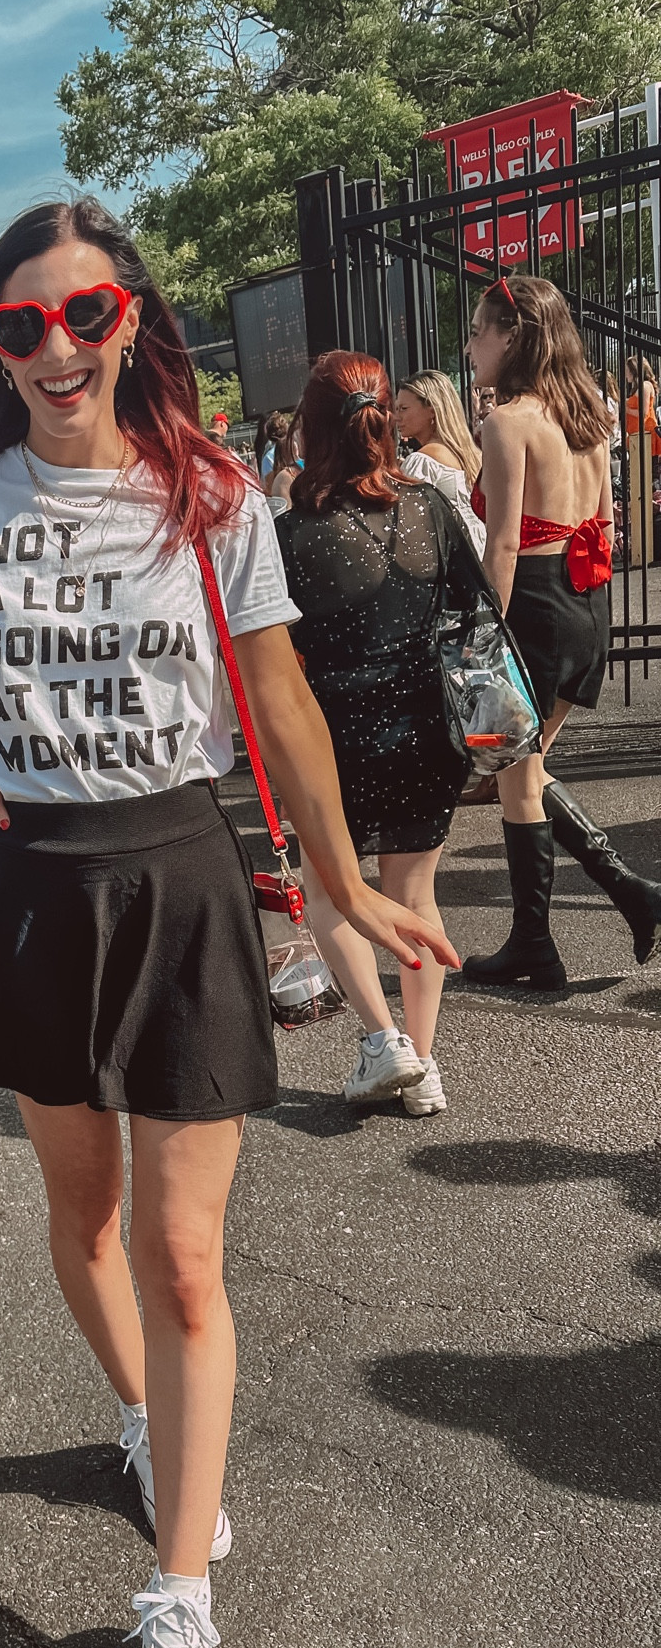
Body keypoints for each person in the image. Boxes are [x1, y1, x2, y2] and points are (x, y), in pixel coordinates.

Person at [0, 195, 455, 1648]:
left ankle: (177, 1610)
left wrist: (351, 880)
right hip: (37, 889)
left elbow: (277, 692)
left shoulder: (209, 495)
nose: (59, 346)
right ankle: (147, 1427)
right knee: (82, 1225)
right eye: (23, 325)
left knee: (183, 1251)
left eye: (86, 314)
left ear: (132, 321)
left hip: (181, 871)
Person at [277, 353, 479, 1116]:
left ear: (312, 424)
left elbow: (272, 653)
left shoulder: (295, 532)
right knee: (414, 894)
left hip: (333, 739)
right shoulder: (428, 505)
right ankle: (423, 1063)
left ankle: (381, 1039)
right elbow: (474, 606)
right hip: (429, 728)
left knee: (334, 889)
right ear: (384, 416)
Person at [463, 274, 661, 982]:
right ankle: (626, 895)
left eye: (479, 331)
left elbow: (505, 544)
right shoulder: (588, 416)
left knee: (516, 780)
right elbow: (606, 525)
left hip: (537, 605)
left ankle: (538, 944)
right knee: (527, 769)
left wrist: (486, 642)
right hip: (585, 601)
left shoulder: (507, 420)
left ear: (511, 337)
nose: (471, 344)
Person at [395, 369, 485, 554]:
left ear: (432, 410)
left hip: (453, 565)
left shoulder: (421, 463)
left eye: (403, 409)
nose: (397, 417)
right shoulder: (472, 455)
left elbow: (407, 531)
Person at [622, 356, 657, 571]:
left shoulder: (644, 386)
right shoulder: (638, 386)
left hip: (644, 436)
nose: (625, 375)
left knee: (645, 484)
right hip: (635, 438)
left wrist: (623, 409)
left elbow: (643, 412)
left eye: (627, 370)